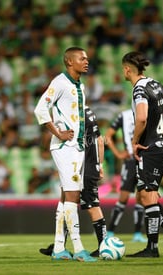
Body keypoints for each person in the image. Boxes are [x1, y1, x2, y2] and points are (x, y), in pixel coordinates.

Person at [34, 46, 96, 262]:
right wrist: (58, 133)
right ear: (69, 61)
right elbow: (40, 109)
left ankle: (59, 247)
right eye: (82, 58)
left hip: (76, 147)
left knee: (65, 197)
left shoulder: (79, 85)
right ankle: (79, 249)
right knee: (73, 196)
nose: (86, 61)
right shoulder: (60, 82)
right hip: (64, 148)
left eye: (87, 58)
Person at [120, 51, 163, 258]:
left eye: (123, 69)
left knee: (146, 195)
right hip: (160, 145)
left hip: (149, 148)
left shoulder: (138, 89)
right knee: (148, 194)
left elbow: (142, 118)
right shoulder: (155, 84)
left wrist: (134, 141)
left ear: (127, 69)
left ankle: (152, 248)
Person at [39, 106, 107, 257]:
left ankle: (103, 245)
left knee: (88, 204)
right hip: (89, 164)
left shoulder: (72, 112)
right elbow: (100, 140)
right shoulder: (89, 111)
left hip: (84, 165)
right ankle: (59, 244)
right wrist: (100, 165)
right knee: (69, 199)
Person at [104, 108, 146, 243]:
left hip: (144, 159)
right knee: (123, 197)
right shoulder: (125, 115)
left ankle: (138, 234)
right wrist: (118, 154)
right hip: (129, 162)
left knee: (141, 197)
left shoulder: (145, 112)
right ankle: (110, 231)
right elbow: (108, 136)